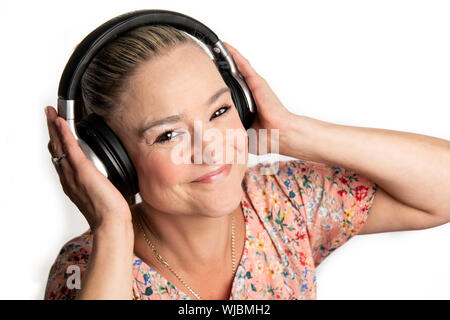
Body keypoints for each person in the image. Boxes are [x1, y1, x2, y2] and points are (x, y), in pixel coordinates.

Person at [44, 25, 450, 300]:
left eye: (220, 112)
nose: (212, 149)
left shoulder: (283, 201)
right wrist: (112, 227)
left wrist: (292, 132)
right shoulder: (85, 270)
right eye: (168, 134)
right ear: (111, 159)